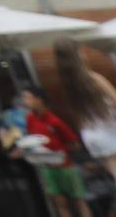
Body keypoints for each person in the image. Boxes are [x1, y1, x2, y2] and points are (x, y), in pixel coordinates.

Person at [53, 37, 116, 217]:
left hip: (92, 139)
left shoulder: (69, 85)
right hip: (111, 136)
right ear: (77, 55)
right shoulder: (94, 78)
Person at [21, 86, 89, 217]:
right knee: (60, 204)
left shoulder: (55, 121)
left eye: (27, 97)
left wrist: (60, 151)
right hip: (47, 167)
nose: (25, 101)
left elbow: (75, 144)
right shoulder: (30, 118)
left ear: (39, 100)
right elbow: (32, 139)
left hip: (65, 166)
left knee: (79, 202)